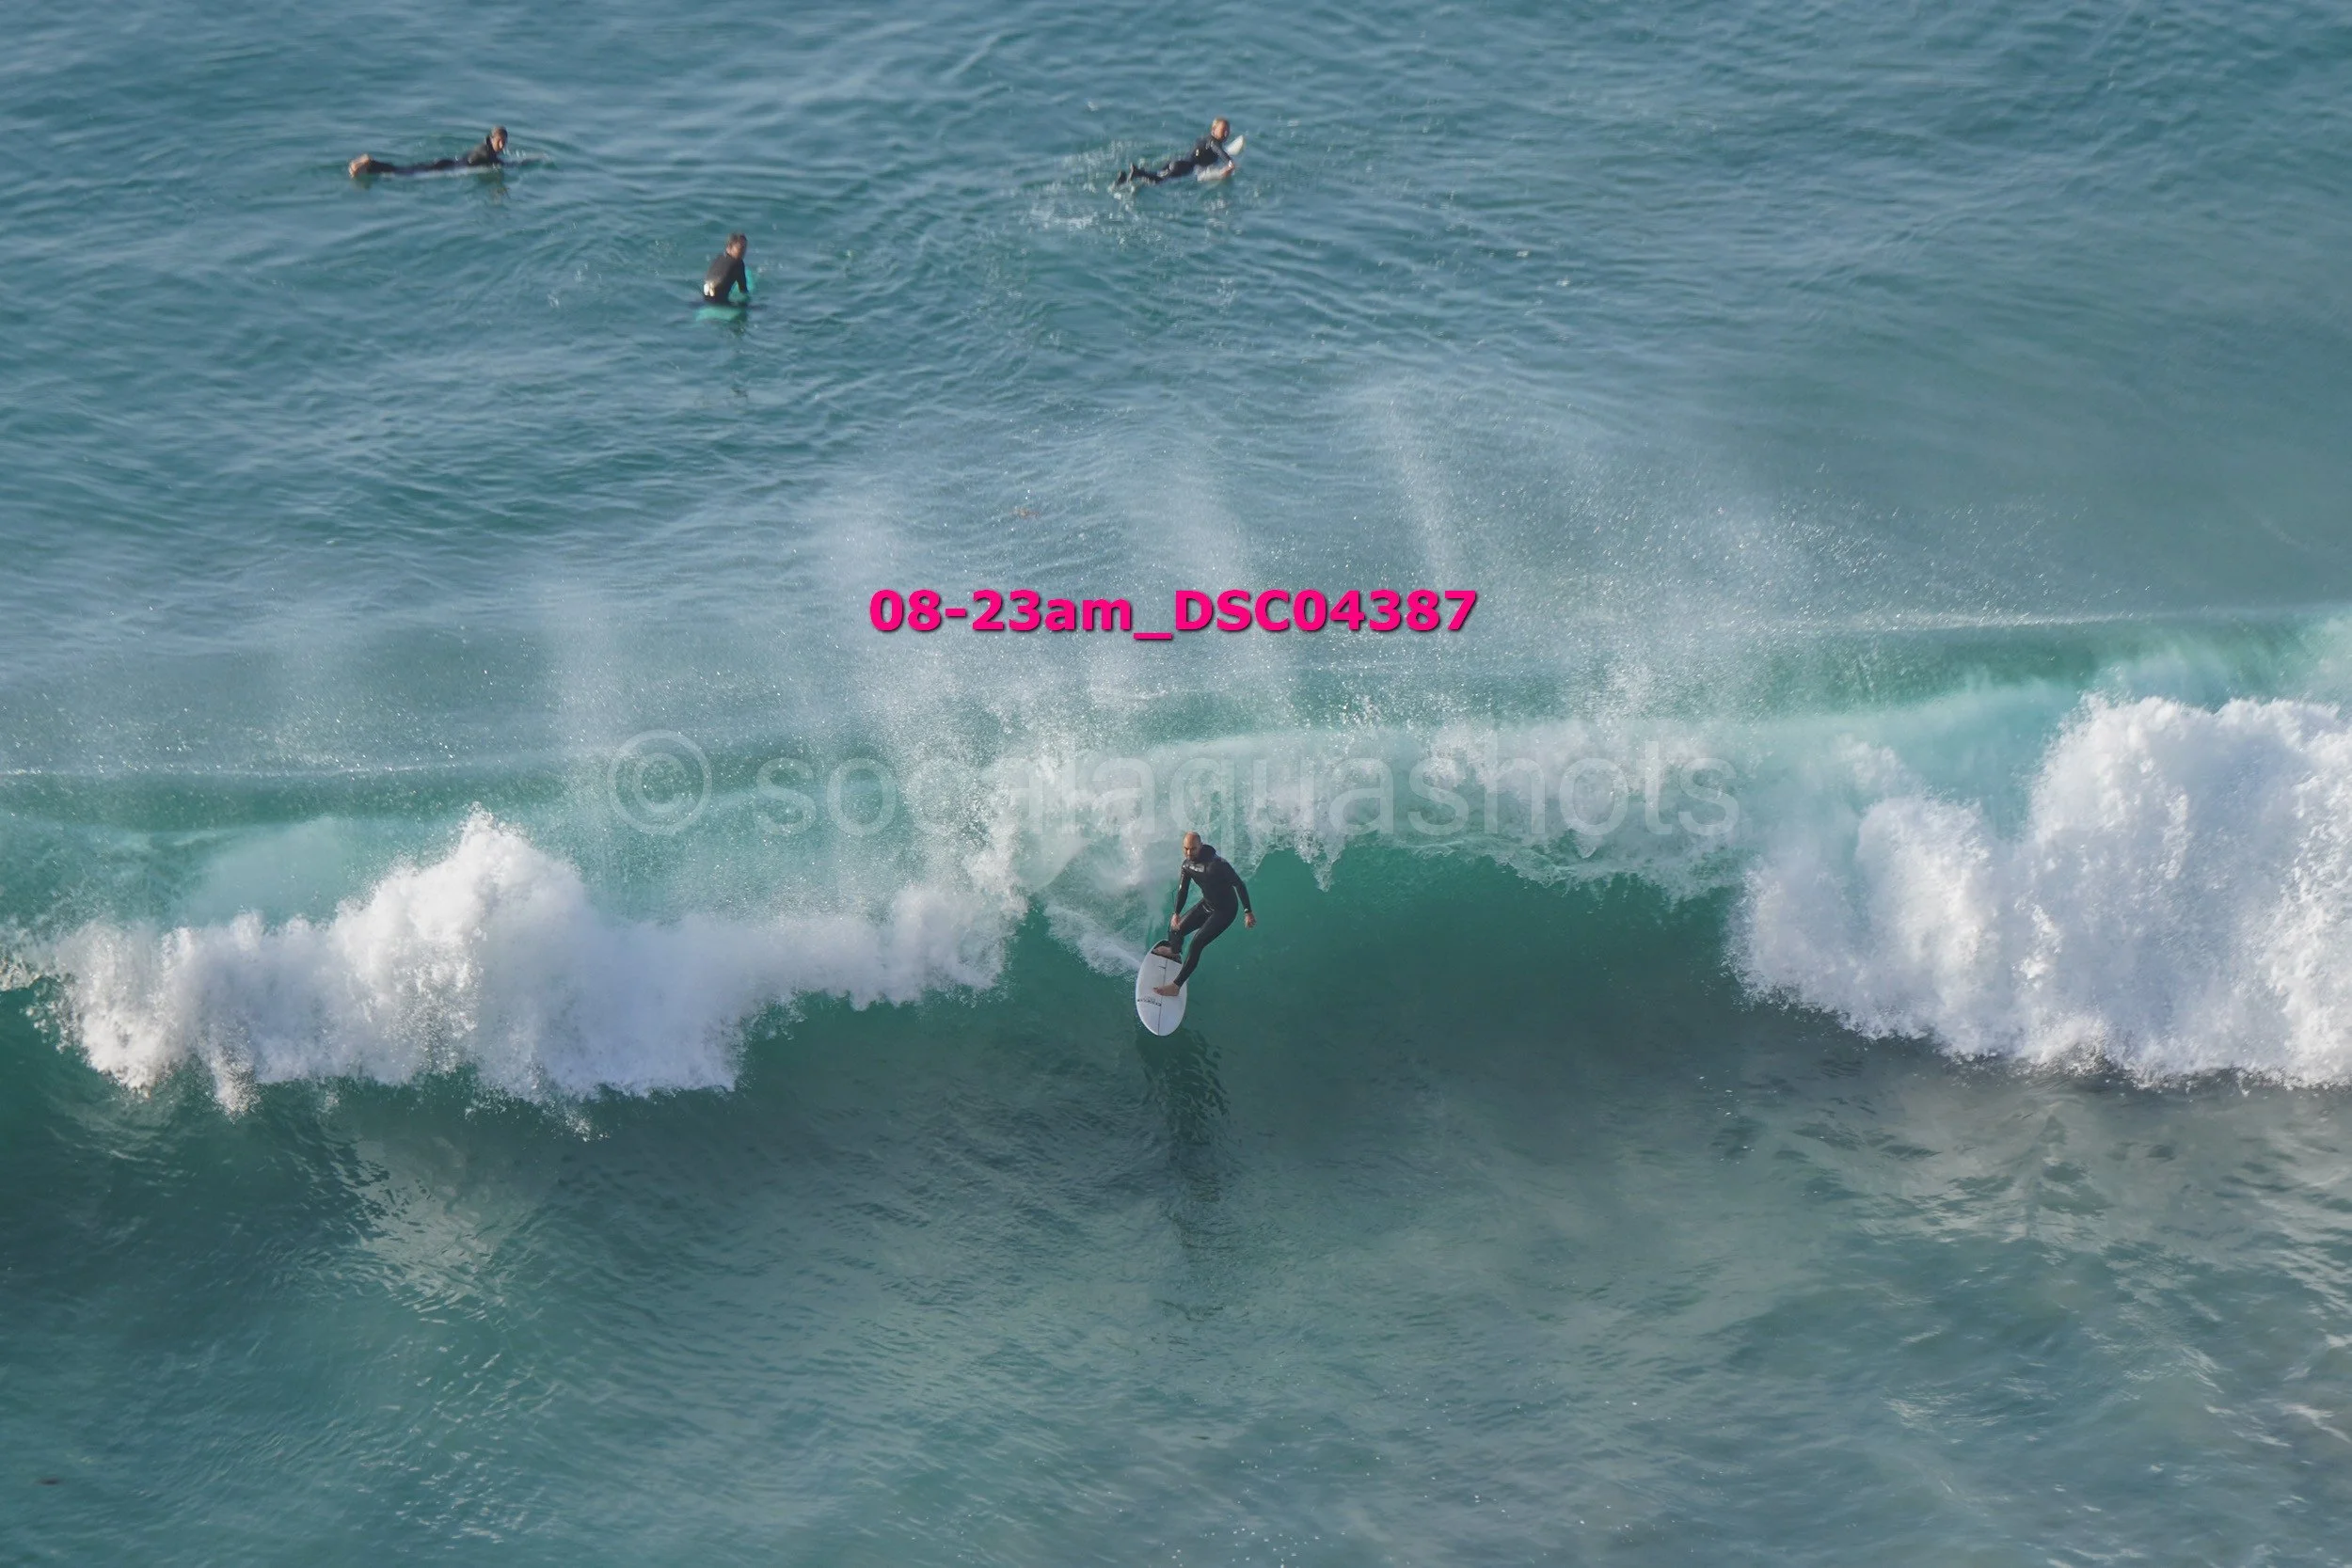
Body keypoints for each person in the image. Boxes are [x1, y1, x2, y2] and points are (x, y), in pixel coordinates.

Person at [1152, 831, 1255, 994]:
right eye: (1185, 849)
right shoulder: (1187, 866)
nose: (1188, 853)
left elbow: (1239, 884)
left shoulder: (1218, 864)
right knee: (1176, 929)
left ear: (1200, 846)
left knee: (1196, 943)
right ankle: (1174, 951)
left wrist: (1247, 911)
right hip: (1207, 905)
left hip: (1225, 911)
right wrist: (1176, 913)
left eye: (1193, 849)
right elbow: (1183, 890)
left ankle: (1176, 986)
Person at [1115, 119, 1237, 187]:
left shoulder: (1205, 139)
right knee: (1159, 181)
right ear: (1214, 130)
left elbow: (1217, 150)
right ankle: (1139, 173)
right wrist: (1230, 162)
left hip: (1178, 162)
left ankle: (1125, 179)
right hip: (1184, 167)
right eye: (1223, 130)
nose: (1226, 134)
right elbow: (1218, 150)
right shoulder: (1214, 142)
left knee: (1157, 174)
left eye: (1227, 131)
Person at [349, 127, 506, 179]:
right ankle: (370, 165)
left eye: (504, 142)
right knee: (405, 173)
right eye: (499, 141)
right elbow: (497, 163)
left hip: (446, 163)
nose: (502, 145)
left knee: (405, 170)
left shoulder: (484, 148)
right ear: (491, 139)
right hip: (445, 167)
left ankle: (371, 166)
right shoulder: (487, 153)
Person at [702, 233, 750, 306]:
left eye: (745, 248)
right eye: (740, 248)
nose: (743, 251)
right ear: (729, 247)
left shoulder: (720, 257)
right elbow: (743, 289)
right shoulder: (738, 263)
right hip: (718, 302)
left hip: (705, 298)